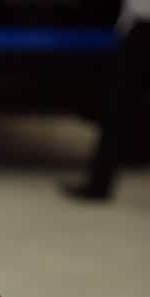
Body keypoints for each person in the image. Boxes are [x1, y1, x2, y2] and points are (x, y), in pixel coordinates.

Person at [64, 0, 150, 200]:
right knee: (119, 107)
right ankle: (99, 183)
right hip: (139, 27)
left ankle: (99, 184)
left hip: (142, 28)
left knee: (119, 107)